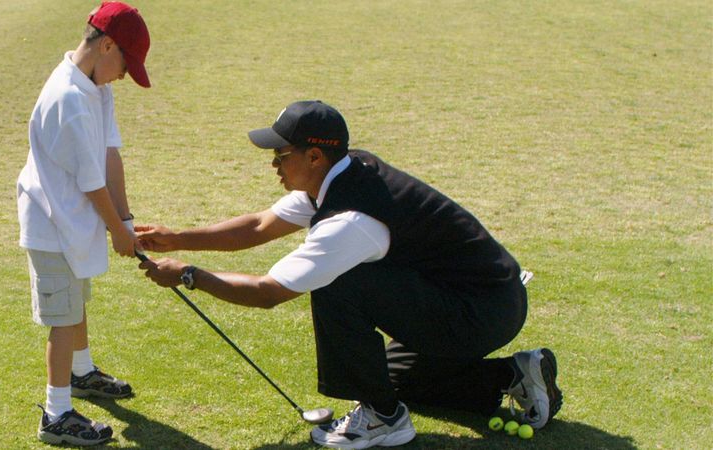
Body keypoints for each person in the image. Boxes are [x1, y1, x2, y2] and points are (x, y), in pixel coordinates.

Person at [136, 100, 562, 449]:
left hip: (480, 312)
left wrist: (189, 275)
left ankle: (383, 418)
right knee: (394, 376)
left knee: (339, 282)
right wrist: (175, 238)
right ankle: (514, 374)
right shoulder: (341, 174)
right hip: (479, 299)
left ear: (315, 156)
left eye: (280, 155)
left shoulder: (352, 219)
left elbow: (269, 292)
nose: (273, 165)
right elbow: (259, 227)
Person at [16, 2, 151, 445]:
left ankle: (82, 372)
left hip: (75, 220)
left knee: (76, 303)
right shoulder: (68, 98)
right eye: (126, 64)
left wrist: (126, 219)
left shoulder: (97, 88)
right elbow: (93, 184)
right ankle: (56, 414)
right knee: (63, 316)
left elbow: (111, 155)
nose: (125, 75)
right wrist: (118, 232)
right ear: (106, 44)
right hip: (51, 222)